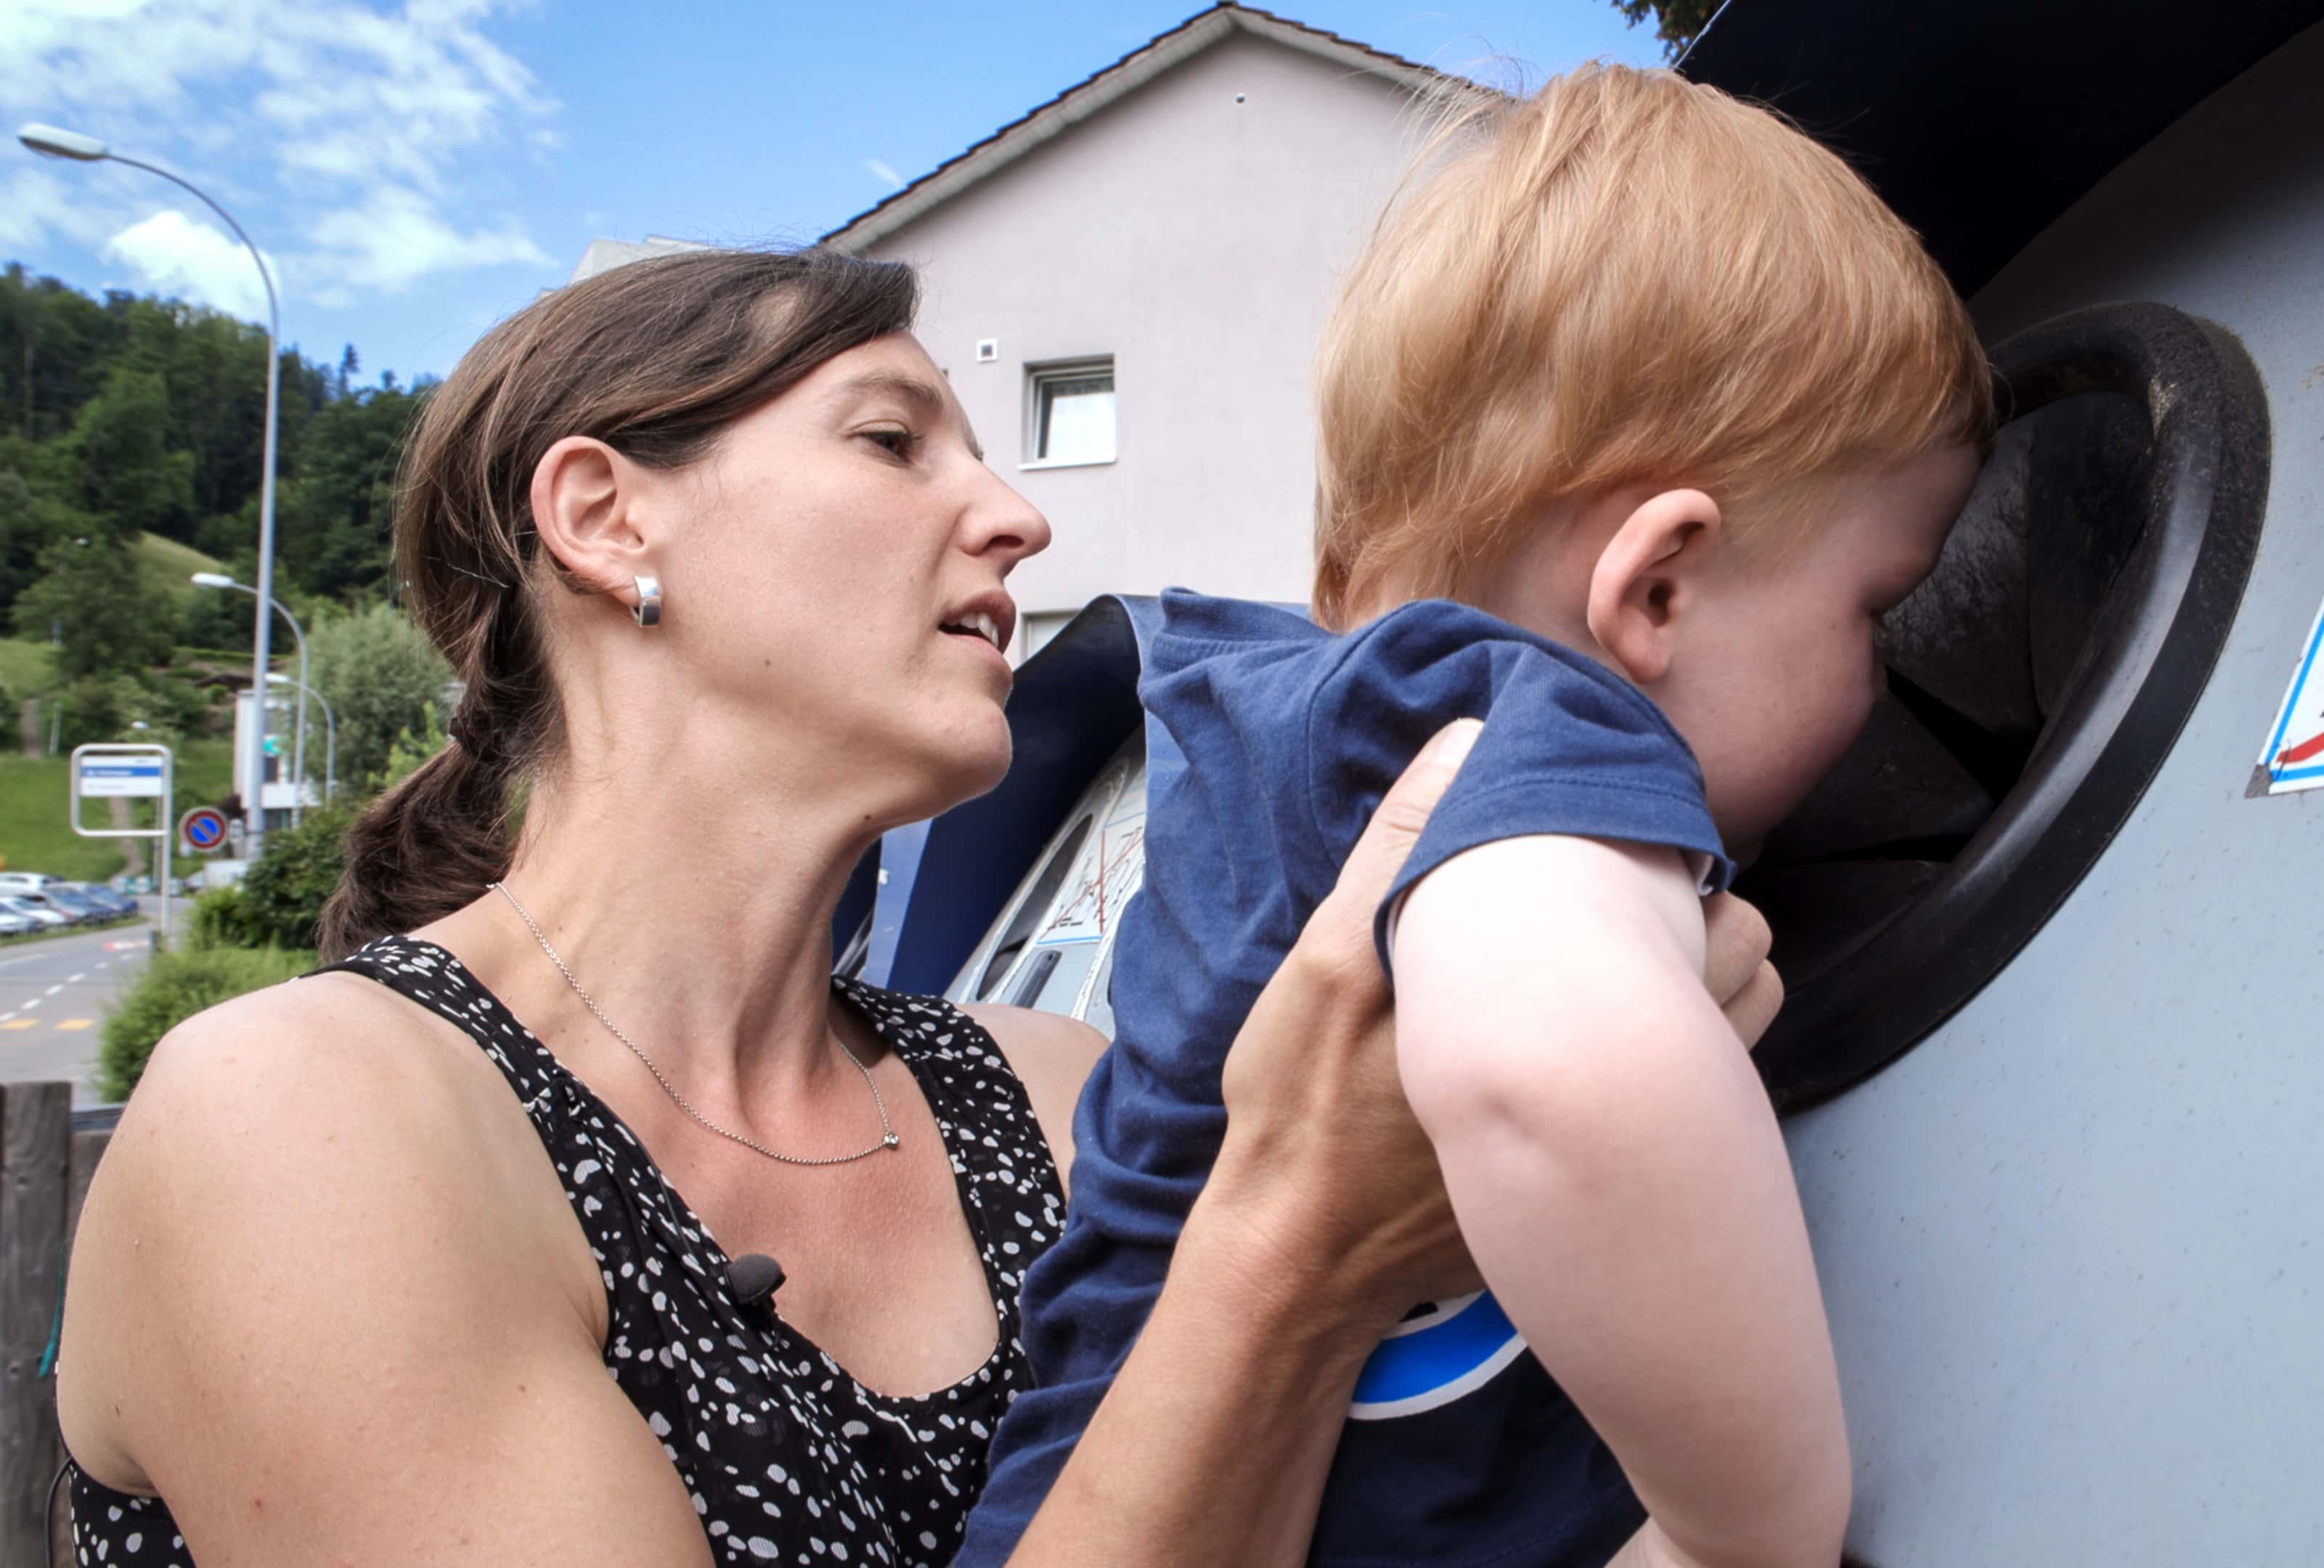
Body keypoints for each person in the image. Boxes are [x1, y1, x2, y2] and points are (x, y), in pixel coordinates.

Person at [49, 247, 1784, 1567]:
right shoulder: (302, 1123)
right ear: (601, 518)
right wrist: (1296, 1248)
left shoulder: (1044, 1092)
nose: (1018, 518)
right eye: (892, 440)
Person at [972, 65, 1991, 1568]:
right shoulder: (1547, 724)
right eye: (1878, 612)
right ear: (1657, 589)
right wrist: (1743, 1528)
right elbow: (1549, 1065)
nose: (1882, 685)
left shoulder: (1297, 737)